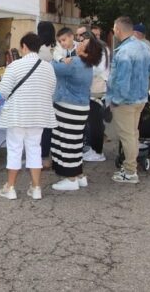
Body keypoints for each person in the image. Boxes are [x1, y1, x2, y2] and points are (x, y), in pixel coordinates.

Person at [0, 32, 57, 201]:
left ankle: (10, 187)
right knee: (34, 149)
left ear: (24, 46)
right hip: (38, 115)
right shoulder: (48, 67)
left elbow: (3, 91)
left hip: (17, 114)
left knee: (15, 149)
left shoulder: (14, 66)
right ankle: (36, 188)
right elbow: (52, 90)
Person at [50, 35, 103, 191]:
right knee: (75, 142)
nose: (79, 44)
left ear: (87, 50)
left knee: (66, 143)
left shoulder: (74, 63)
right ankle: (79, 176)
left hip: (68, 107)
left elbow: (53, 67)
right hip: (80, 107)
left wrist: (58, 56)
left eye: (83, 43)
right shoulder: (87, 65)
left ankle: (71, 179)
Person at [108, 16, 150, 184]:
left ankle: (130, 171)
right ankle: (130, 166)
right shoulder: (144, 47)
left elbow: (122, 81)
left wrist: (115, 100)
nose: (113, 31)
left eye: (114, 28)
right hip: (140, 98)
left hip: (125, 101)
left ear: (119, 30)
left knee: (128, 136)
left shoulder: (124, 52)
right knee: (133, 134)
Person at [82, 30, 111, 162]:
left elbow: (98, 69)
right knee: (94, 122)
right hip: (97, 89)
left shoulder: (101, 49)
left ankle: (97, 152)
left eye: (84, 41)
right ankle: (95, 150)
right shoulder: (102, 47)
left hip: (98, 90)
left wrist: (84, 66)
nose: (83, 44)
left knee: (95, 123)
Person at [37, 21, 57, 169]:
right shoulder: (56, 48)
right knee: (50, 125)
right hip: (55, 92)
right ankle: (48, 155)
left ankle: (42, 156)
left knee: (41, 127)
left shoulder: (39, 50)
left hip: (41, 92)